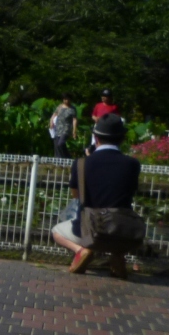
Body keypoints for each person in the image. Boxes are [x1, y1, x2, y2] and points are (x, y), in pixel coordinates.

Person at [51, 112, 141, 278]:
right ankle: (117, 256)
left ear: (96, 138)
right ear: (122, 139)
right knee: (118, 218)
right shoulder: (133, 164)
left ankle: (81, 251)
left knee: (57, 231)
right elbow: (131, 191)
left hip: (91, 231)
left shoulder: (81, 163)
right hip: (122, 231)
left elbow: (76, 195)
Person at [49, 93, 78, 158]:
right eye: (64, 99)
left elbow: (74, 120)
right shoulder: (59, 107)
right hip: (58, 127)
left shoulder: (72, 109)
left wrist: (74, 131)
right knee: (56, 145)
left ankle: (68, 157)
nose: (66, 101)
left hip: (66, 128)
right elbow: (54, 114)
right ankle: (59, 160)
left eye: (67, 99)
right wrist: (51, 122)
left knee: (61, 143)